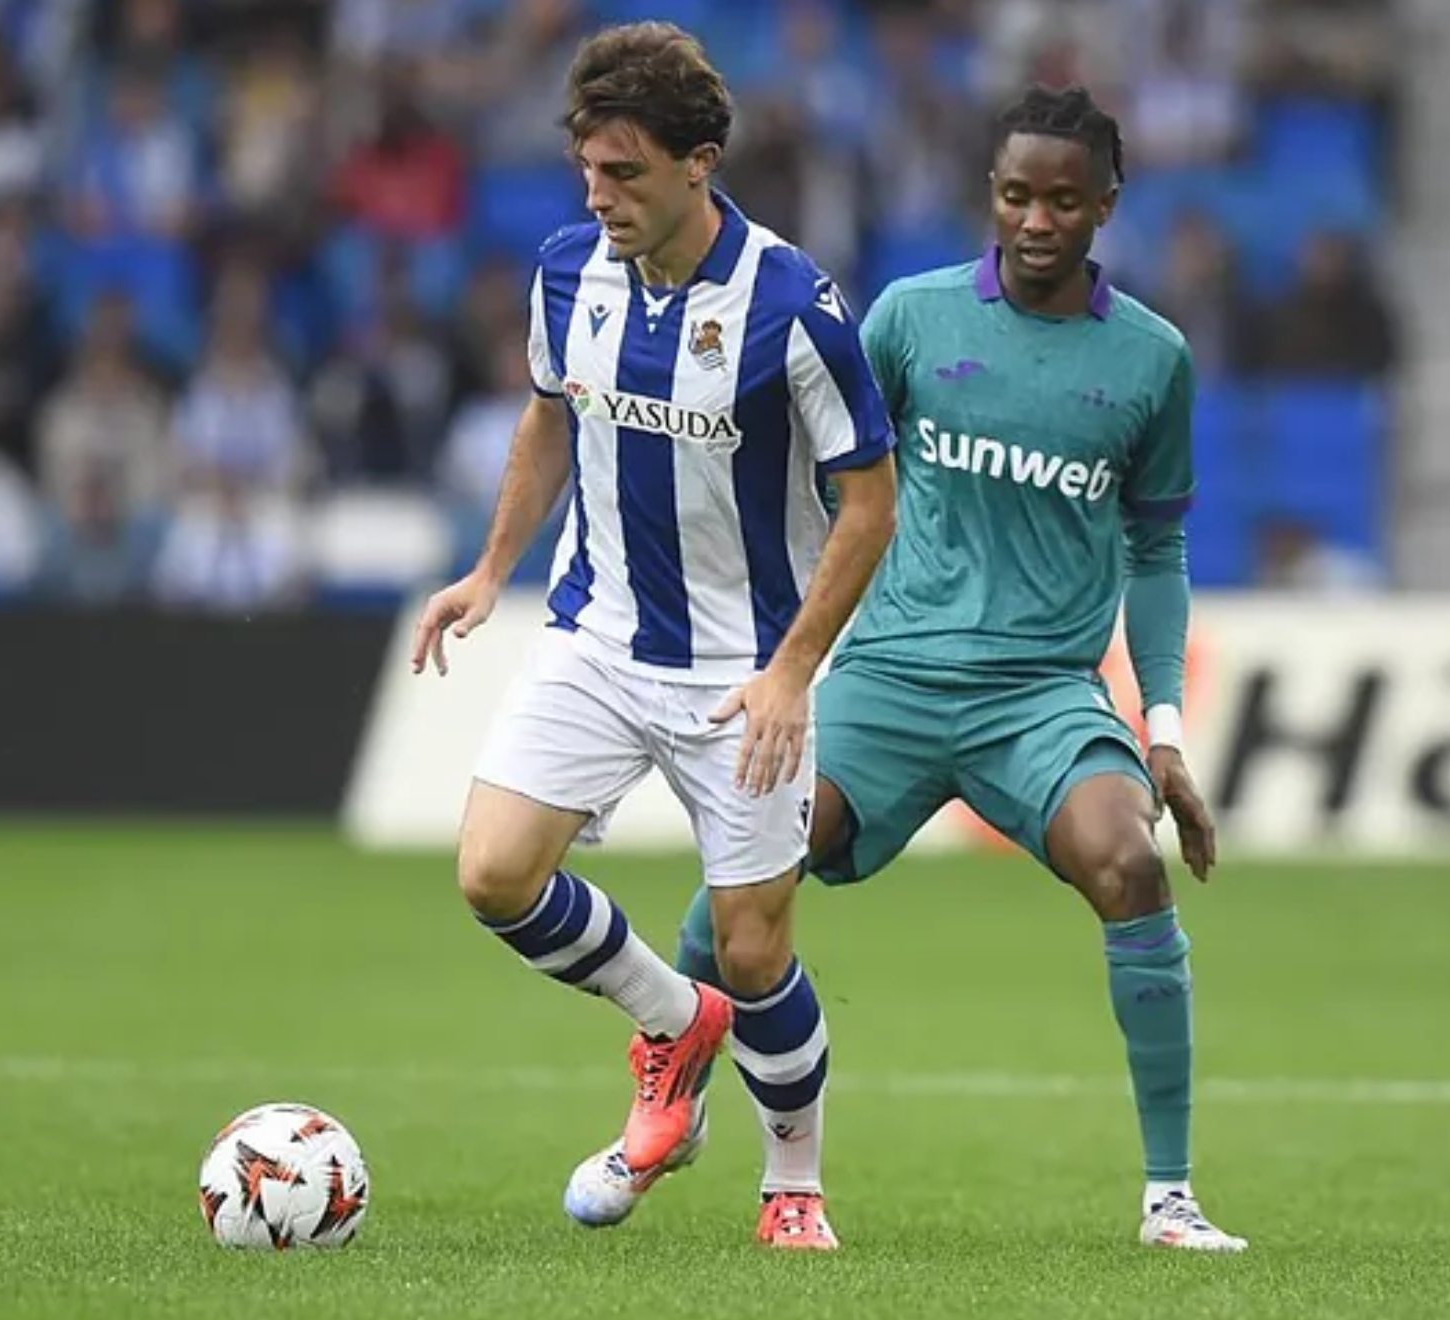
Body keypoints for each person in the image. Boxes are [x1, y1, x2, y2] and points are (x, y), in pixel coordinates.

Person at [566, 83, 1248, 1254]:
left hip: (1041, 695)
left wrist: (1167, 728)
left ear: (1107, 208)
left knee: (1131, 866)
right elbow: (832, 477)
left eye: (1065, 201)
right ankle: (667, 1109)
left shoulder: (1153, 361)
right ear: (991, 193)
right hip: (887, 674)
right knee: (742, 896)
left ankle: (1170, 1199)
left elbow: (1156, 544)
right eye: (1016, 194)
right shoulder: (910, 319)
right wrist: (782, 641)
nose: (1037, 220)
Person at [410, 21, 897, 1253]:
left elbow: (871, 503)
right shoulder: (568, 272)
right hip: (598, 635)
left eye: (625, 172)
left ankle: (794, 1185)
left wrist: (793, 672)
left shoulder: (794, 304)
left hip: (746, 673)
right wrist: (488, 571)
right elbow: (548, 422)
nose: (599, 195)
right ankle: (674, 1025)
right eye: (588, 169)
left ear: (701, 163)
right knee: (492, 874)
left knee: (756, 942)